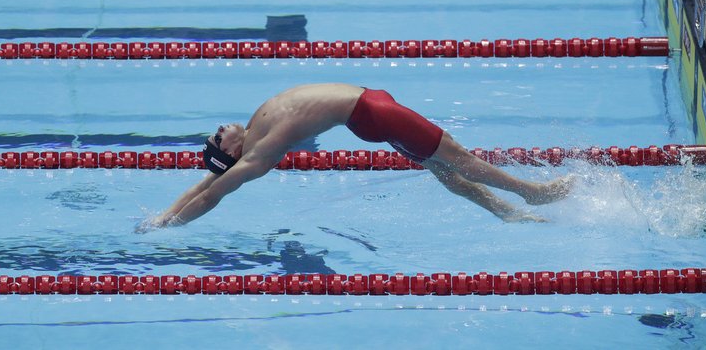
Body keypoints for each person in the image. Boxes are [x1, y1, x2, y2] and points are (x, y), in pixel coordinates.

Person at [137, 83, 573, 231]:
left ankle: (503, 211)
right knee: (455, 157)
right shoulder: (258, 153)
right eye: (218, 138)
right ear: (230, 151)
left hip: (366, 111)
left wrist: (163, 214)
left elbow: (205, 183)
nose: (219, 128)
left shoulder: (254, 130)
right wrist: (176, 225)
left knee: (438, 167)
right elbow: (215, 193)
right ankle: (532, 193)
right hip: (371, 111)